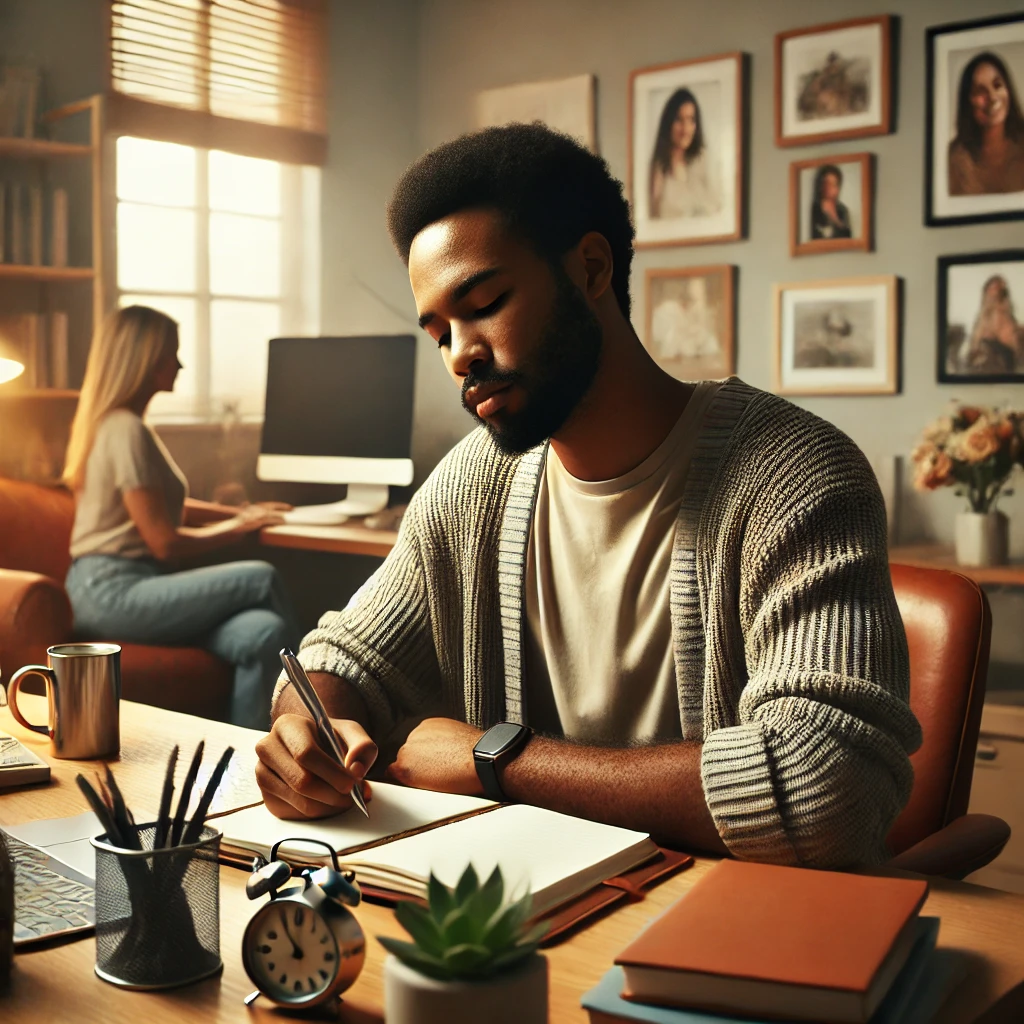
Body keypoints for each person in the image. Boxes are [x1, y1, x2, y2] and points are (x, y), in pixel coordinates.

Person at [255, 124, 921, 870]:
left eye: (485, 303)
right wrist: (308, 730)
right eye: (439, 331)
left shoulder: (794, 473)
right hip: (537, 910)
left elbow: (831, 787)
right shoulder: (475, 482)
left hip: (732, 926)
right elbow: (345, 659)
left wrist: (498, 763)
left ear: (592, 268)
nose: (460, 356)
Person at [62, 305, 297, 729]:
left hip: (133, 585)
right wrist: (239, 528)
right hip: (111, 591)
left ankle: (254, 764)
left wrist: (240, 511)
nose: (181, 363)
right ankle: (322, 720)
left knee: (262, 632)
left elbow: (158, 507)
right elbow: (165, 542)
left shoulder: (121, 425)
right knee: (261, 576)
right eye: (172, 353)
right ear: (146, 360)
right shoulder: (125, 429)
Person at [948, 51, 1024, 197]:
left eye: (997, 85)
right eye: (980, 91)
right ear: (967, 102)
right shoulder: (955, 159)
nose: (993, 97)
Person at [648, 88, 721, 219]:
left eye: (690, 120)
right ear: (668, 123)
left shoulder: (703, 159)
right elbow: (653, 215)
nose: (685, 128)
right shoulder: (658, 168)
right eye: (679, 120)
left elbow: (716, 207)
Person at [959, 274, 1024, 374]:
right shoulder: (984, 319)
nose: (996, 293)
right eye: (993, 290)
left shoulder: (1005, 314)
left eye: (1000, 291)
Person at [809, 164, 852, 240]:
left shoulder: (842, 210)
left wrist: (834, 218)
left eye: (834, 184)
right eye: (826, 184)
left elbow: (848, 238)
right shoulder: (813, 209)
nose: (829, 188)